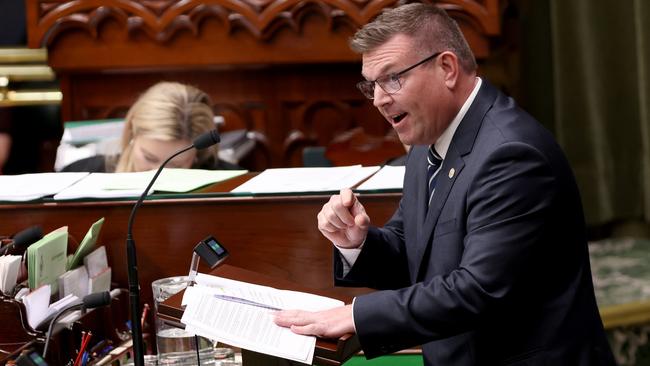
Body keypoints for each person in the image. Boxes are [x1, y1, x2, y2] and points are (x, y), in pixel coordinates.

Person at [274, 3, 615, 365]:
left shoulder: (512, 155)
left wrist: (356, 315)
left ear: (447, 68)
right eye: (371, 84)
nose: (377, 99)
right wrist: (357, 243)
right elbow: (415, 253)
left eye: (392, 78)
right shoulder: (429, 141)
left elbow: (478, 290)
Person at [61, 81, 240, 172]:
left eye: (176, 166)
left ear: (197, 154)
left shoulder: (229, 183)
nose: (157, 175)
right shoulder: (81, 175)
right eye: (149, 158)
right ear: (132, 133)